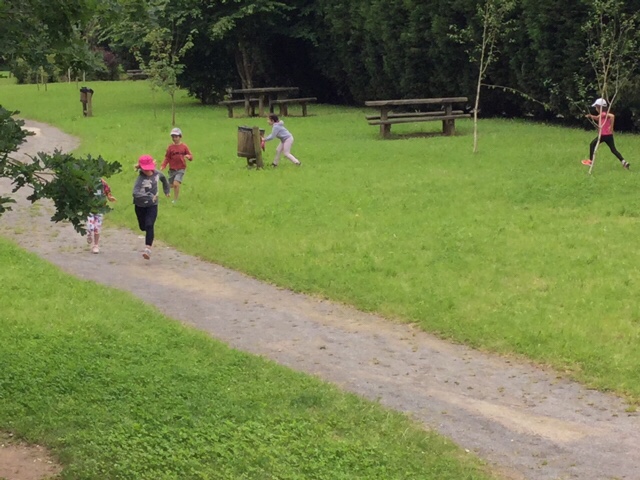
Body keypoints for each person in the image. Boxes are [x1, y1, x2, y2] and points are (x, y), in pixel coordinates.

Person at [133, 155, 171, 260]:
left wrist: (166, 190)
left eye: (149, 169)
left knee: (149, 225)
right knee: (143, 227)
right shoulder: (140, 179)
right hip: (140, 205)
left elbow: (164, 179)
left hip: (152, 205)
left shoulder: (157, 173)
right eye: (145, 169)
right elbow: (135, 193)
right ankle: (146, 231)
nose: (147, 171)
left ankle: (147, 249)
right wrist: (149, 196)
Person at [582, 98, 630, 170]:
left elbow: (612, 116)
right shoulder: (602, 114)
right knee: (613, 150)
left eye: (596, 107)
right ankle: (624, 162)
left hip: (603, 135)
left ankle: (590, 161)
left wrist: (611, 126)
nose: (596, 109)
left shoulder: (604, 113)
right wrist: (590, 116)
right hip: (609, 135)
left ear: (600, 107)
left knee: (592, 144)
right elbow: (597, 118)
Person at [160, 127, 193, 203]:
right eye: (173, 137)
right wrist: (163, 165)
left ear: (180, 136)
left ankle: (175, 200)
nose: (174, 138)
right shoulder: (170, 147)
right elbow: (167, 158)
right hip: (172, 169)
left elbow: (191, 156)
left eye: (176, 137)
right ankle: (167, 192)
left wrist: (188, 157)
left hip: (181, 168)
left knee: (176, 184)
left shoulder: (184, 146)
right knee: (170, 185)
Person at [86, 178, 117, 254]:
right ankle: (89, 233)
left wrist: (110, 197)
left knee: (97, 228)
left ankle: (96, 245)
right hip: (90, 209)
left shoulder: (103, 184)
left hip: (100, 209)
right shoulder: (89, 183)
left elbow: (107, 192)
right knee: (90, 226)